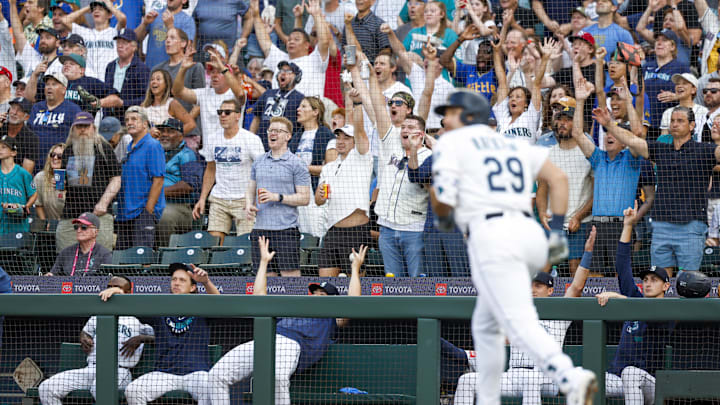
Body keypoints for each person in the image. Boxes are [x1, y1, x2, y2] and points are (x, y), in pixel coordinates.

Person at [430, 87, 597, 405]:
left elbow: (442, 206)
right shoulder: (515, 147)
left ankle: (565, 375)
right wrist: (558, 233)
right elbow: (558, 180)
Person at [207, 237, 366, 404]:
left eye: (323, 295)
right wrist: (263, 262)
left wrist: (355, 269)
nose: (316, 297)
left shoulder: (330, 319)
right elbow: (259, 298)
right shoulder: (295, 309)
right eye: (315, 293)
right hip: (265, 339)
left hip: (291, 345)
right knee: (217, 376)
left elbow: (352, 303)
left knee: (276, 378)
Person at [454, 228, 598, 404]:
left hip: (546, 377)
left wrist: (588, 252)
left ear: (550, 290)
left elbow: (576, 287)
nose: (532, 290)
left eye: (538, 286)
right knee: (467, 381)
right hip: (513, 374)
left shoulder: (559, 312)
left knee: (531, 380)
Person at [595, 104, 720, 274]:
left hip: (692, 226)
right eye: (672, 121)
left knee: (690, 280)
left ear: (692, 125)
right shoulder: (661, 149)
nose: (674, 124)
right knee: (660, 279)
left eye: (680, 121)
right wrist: (609, 124)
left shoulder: (705, 151)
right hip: (661, 225)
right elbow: (632, 140)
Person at [595, 202, 673, 405]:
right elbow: (622, 266)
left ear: (666, 287)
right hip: (618, 377)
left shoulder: (668, 310)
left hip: (651, 382)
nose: (648, 284)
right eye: (645, 280)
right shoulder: (635, 297)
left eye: (654, 280)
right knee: (585, 379)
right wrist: (628, 225)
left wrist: (619, 297)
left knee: (631, 373)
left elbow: (648, 313)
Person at [108, 263, 219, 404]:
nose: (176, 283)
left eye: (182, 280)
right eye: (174, 279)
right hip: (164, 374)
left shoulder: (202, 307)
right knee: (133, 390)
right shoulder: (160, 307)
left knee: (211, 389)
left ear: (192, 287)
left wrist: (206, 282)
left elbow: (219, 303)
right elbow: (131, 306)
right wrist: (118, 293)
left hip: (196, 374)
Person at [38, 276, 154, 404]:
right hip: (91, 368)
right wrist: (83, 337)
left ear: (128, 293)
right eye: (109, 287)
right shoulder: (98, 315)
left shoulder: (136, 318)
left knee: (99, 389)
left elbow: (158, 337)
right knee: (46, 388)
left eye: (116, 288)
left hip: (119, 371)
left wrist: (141, 338)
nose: (111, 291)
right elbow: (85, 332)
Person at [571, 79, 644, 274]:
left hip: (621, 227)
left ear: (624, 142)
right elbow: (577, 134)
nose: (609, 135)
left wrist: (628, 100)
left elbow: (637, 134)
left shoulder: (631, 158)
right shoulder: (598, 158)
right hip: (595, 226)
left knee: (621, 277)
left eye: (615, 134)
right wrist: (580, 101)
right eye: (607, 133)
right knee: (592, 276)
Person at [408, 91, 473, 277]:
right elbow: (416, 176)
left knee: (462, 282)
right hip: (433, 227)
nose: (442, 130)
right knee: (437, 284)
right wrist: (413, 149)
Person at [245, 117, 311, 277]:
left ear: (288, 136)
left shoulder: (297, 163)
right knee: (264, 280)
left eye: (277, 131)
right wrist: (248, 204)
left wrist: (277, 197)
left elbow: (305, 198)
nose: (272, 134)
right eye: (270, 130)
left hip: (286, 230)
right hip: (260, 229)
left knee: (290, 281)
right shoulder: (259, 161)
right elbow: (250, 189)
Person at [192, 99, 264, 245]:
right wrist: (202, 198)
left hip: (245, 199)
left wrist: (256, 198)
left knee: (247, 245)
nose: (222, 115)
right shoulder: (213, 138)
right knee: (214, 244)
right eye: (220, 112)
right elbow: (210, 170)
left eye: (227, 112)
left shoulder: (251, 139)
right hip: (219, 198)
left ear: (238, 115)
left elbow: (261, 170)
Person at [536, 98, 594, 276]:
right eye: (560, 119)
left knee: (575, 269)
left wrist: (578, 217)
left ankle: (574, 305)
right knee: (543, 271)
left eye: (568, 119)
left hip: (580, 223)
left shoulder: (589, 152)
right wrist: (542, 213)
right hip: (554, 223)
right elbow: (542, 189)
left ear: (576, 123)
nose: (562, 123)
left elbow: (596, 192)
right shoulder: (549, 154)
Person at [316, 104, 372, 277]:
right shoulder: (328, 167)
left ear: (355, 141)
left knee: (355, 283)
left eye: (346, 138)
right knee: (325, 284)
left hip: (356, 232)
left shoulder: (362, 158)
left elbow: (361, 131)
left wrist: (356, 104)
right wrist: (319, 195)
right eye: (338, 137)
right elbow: (319, 201)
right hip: (332, 231)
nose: (340, 141)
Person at [56, 111, 120, 252]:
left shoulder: (104, 149)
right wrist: (59, 187)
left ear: (93, 128)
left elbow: (116, 178)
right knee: (65, 255)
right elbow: (61, 182)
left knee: (100, 258)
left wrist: (103, 203)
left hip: (99, 215)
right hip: (71, 214)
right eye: (79, 127)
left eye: (86, 126)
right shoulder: (67, 151)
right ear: (73, 129)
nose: (83, 130)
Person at [172, 46, 245, 163]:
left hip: (230, 155)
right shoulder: (204, 94)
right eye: (212, 72)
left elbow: (241, 94)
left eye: (219, 73)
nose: (214, 75)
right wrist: (183, 68)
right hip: (207, 156)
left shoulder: (233, 95)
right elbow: (177, 92)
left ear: (228, 76)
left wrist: (222, 66)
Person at [252, 0, 331, 98]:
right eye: (289, 39)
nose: (291, 42)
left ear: (307, 45)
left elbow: (324, 42)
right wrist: (255, 15)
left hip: (307, 111)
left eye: (296, 39)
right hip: (279, 112)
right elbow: (265, 43)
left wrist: (316, 15)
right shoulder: (280, 59)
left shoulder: (314, 60)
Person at [116, 106, 165, 249]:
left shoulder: (153, 145)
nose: (129, 123)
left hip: (142, 212)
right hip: (126, 212)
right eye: (127, 120)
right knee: (123, 259)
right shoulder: (129, 146)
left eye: (134, 119)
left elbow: (158, 180)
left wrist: (148, 211)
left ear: (145, 124)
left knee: (142, 258)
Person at [491, 34, 553, 143]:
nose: (513, 99)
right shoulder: (503, 115)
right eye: (511, 97)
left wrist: (545, 58)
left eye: (518, 97)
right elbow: (502, 81)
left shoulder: (531, 116)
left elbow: (537, 84)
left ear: (526, 103)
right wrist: (496, 52)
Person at [291, 96, 337, 237]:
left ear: (315, 112)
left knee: (316, 231)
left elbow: (332, 169)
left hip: (316, 191)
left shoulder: (326, 135)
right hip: (297, 192)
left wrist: (304, 168)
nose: (299, 109)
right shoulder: (296, 136)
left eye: (304, 106)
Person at [156, 118, 203, 248]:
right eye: (162, 131)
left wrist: (155, 193)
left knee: (164, 216)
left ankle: (165, 258)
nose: (164, 134)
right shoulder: (154, 152)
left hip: (179, 206)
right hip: (152, 203)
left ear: (181, 136)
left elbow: (187, 186)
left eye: (170, 131)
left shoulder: (188, 155)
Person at [56, 0, 127, 80]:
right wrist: (87, 8)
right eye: (94, 9)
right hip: (90, 82)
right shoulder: (85, 32)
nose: (96, 11)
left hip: (110, 80)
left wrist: (109, 6)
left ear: (109, 15)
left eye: (100, 9)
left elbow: (123, 19)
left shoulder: (114, 32)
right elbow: (64, 20)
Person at [34, 53, 121, 114]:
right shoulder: (53, 82)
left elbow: (116, 99)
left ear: (82, 70)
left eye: (71, 64)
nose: (66, 66)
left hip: (80, 124)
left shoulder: (90, 82)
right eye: (64, 64)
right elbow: (30, 97)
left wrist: (98, 103)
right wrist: (34, 75)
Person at [643, 29, 690, 140]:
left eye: (664, 40)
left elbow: (692, 92)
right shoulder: (646, 67)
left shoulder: (681, 67)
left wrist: (675, 96)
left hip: (668, 124)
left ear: (673, 46)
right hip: (645, 123)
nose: (659, 43)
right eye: (657, 40)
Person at [28, 72, 81, 169]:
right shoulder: (36, 107)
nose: (49, 87)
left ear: (64, 89)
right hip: (34, 163)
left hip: (58, 163)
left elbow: (78, 137)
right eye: (47, 84)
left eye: (54, 84)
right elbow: (28, 133)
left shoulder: (73, 109)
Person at [248, 61, 305, 150]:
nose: (283, 73)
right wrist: (251, 140)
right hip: (261, 148)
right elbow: (256, 119)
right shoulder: (268, 93)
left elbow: (302, 127)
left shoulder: (300, 98)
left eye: (288, 72)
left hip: (284, 150)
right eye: (281, 71)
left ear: (296, 77)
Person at [134, 0, 196, 69]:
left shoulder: (187, 20)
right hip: (150, 72)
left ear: (184, 1)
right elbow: (135, 39)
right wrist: (144, 24)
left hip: (172, 74)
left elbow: (186, 49)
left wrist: (170, 26)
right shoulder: (155, 14)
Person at [104, 28, 151, 120]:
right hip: (109, 118)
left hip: (131, 120)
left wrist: (123, 103)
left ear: (134, 47)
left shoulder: (142, 69)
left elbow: (146, 98)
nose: (120, 46)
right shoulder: (110, 66)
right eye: (118, 43)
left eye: (124, 43)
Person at [46, 212, 112, 275]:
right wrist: (49, 276)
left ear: (95, 232)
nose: (79, 230)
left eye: (84, 227)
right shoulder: (65, 253)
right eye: (76, 227)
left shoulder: (104, 254)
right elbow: (54, 274)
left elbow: (107, 280)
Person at [141, 69, 196, 136]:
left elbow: (190, 124)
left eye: (158, 79)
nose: (154, 82)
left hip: (166, 145)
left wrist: (173, 137)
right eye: (152, 79)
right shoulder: (143, 106)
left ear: (166, 83)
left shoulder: (172, 103)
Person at [0, 135, 35, 235]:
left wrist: (25, 207)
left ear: (13, 152)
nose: (0, 150)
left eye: (4, 147)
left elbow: (34, 194)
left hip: (18, 225)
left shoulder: (23, 173)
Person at [658, 73, 708, 141]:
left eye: (684, 83)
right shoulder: (668, 112)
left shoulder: (704, 112)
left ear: (693, 90)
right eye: (677, 84)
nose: (679, 86)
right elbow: (663, 141)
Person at [342, 0, 390, 64]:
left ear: (372, 1)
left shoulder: (379, 24)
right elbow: (345, 47)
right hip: (352, 69)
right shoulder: (349, 23)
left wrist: (376, 65)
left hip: (372, 70)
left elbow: (386, 51)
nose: (360, 1)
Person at [0, 97, 39, 174]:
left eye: (20, 110)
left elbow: (25, 173)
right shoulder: (1, 127)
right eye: (13, 108)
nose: (14, 112)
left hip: (15, 182)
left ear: (27, 117)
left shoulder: (31, 138)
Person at [33, 143, 65, 223]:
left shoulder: (74, 179)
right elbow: (38, 204)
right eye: (53, 155)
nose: (55, 158)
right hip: (50, 223)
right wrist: (44, 223)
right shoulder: (40, 177)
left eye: (60, 156)